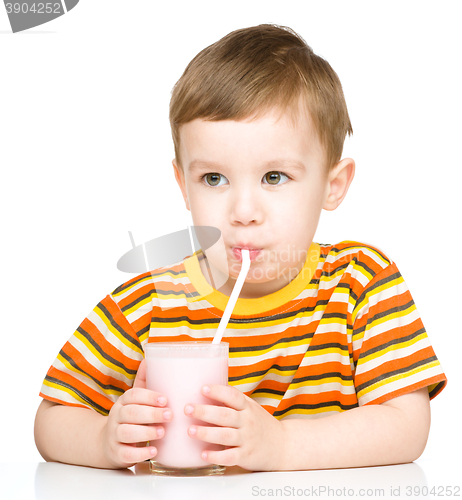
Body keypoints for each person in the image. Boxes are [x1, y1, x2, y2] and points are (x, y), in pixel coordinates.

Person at [34, 24, 447, 471]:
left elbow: (407, 426)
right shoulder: (150, 305)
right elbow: (51, 419)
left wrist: (281, 444)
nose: (243, 211)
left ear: (333, 185)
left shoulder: (360, 285)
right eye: (214, 179)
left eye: (274, 177)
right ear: (184, 186)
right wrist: (102, 439)